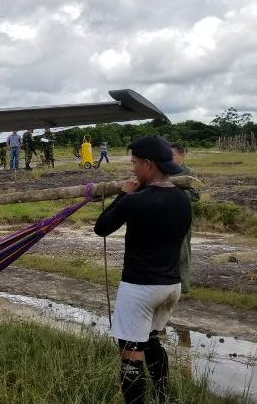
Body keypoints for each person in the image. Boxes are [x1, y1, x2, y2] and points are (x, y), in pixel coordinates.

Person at [94, 135, 192, 404]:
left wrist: (124, 192)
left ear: (148, 164)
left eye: (135, 163)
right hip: (171, 287)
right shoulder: (183, 199)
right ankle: (162, 397)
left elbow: (101, 227)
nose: (132, 169)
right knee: (151, 341)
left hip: (140, 288)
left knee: (131, 353)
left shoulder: (136, 200)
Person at [171, 142, 200, 297]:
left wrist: (175, 192)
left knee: (183, 253)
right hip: (164, 218)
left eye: (173, 155)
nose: (169, 158)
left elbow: (196, 196)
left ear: (182, 154)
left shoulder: (190, 173)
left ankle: (184, 288)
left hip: (182, 219)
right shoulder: (164, 171)